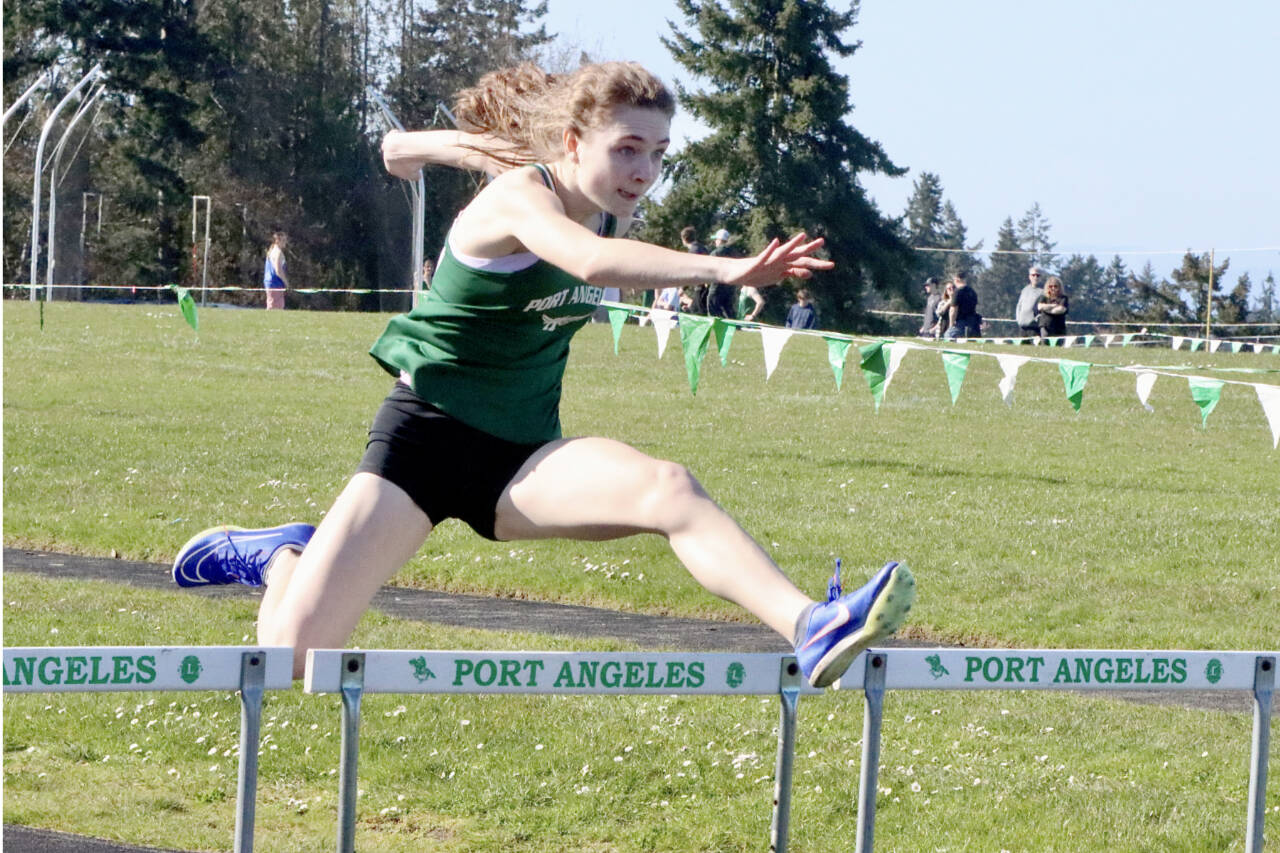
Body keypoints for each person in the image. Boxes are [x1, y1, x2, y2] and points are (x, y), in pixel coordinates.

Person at [170, 60, 915, 691]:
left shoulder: (602, 205)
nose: (644, 172)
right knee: (293, 660)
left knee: (671, 488)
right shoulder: (518, 197)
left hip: (523, 457)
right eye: (628, 149)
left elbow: (592, 232)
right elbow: (586, 263)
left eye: (658, 153)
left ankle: (809, 625)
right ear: (572, 142)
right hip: (423, 445)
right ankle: (280, 558)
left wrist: (453, 148)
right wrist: (727, 268)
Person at [706, 228, 740, 318]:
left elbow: (708, 267)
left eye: (716, 239)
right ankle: (735, 326)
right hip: (731, 285)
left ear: (720, 240)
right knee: (728, 309)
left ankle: (716, 325)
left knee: (712, 304)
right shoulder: (734, 252)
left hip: (717, 284)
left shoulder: (716, 253)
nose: (715, 242)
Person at [680, 226, 709, 314]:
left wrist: (683, 288)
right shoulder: (703, 248)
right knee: (696, 309)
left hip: (700, 286)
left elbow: (690, 272)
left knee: (698, 313)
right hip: (707, 285)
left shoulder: (693, 251)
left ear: (684, 238)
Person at [943, 270, 980, 339]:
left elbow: (953, 310)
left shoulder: (958, 292)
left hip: (961, 323)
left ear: (956, 279)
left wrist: (951, 325)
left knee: (948, 335)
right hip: (973, 324)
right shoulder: (972, 292)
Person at [1014, 266, 1045, 340]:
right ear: (1029, 276)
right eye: (1033, 275)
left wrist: (1036, 320)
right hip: (1022, 326)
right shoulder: (1025, 290)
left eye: (1038, 275)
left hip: (1034, 327)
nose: (1035, 277)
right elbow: (1019, 306)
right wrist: (1018, 319)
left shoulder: (1043, 292)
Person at [1036, 275, 1069, 340]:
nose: (1053, 288)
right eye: (1050, 286)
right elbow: (1039, 307)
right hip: (1046, 326)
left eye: (1055, 286)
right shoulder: (1043, 297)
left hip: (1059, 327)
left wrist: (1046, 308)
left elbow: (1061, 310)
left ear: (1059, 287)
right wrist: (1053, 306)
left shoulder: (1063, 298)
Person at [263, 231, 289, 310]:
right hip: (275, 283)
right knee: (275, 307)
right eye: (283, 240)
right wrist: (286, 282)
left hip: (271, 282)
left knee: (273, 305)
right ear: (277, 241)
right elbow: (278, 271)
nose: (285, 242)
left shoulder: (272, 251)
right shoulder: (278, 252)